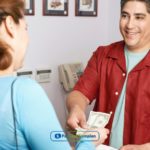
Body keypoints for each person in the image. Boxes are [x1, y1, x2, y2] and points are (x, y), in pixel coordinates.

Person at [0, 0, 109, 149]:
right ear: (10, 25)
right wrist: (90, 140)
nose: (28, 38)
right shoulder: (22, 92)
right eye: (26, 28)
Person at [66, 0, 150, 150]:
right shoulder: (103, 55)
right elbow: (80, 92)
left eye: (139, 17)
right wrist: (76, 108)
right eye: (125, 15)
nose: (129, 25)